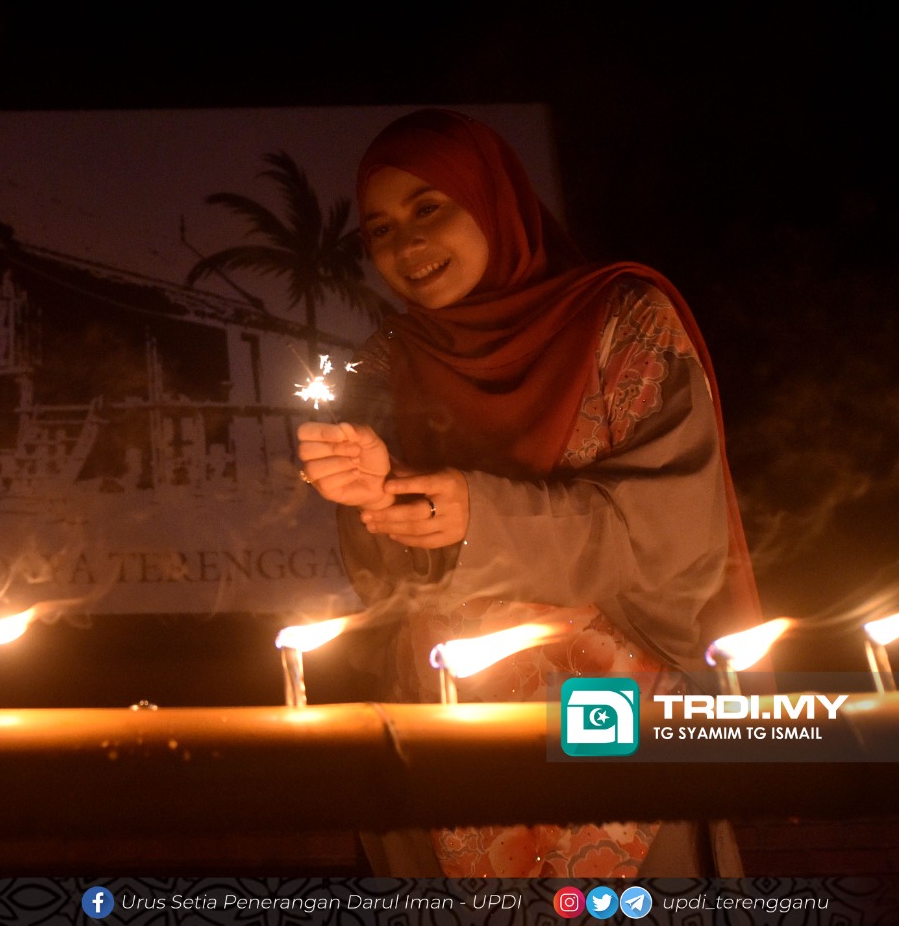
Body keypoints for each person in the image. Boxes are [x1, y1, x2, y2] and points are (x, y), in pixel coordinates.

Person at [297, 109, 762, 878]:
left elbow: (674, 536)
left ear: (493, 200)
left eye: (428, 208)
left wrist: (484, 517)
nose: (406, 246)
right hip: (450, 746)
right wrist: (375, 504)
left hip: (621, 738)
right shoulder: (386, 363)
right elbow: (388, 587)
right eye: (380, 230)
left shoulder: (624, 322)